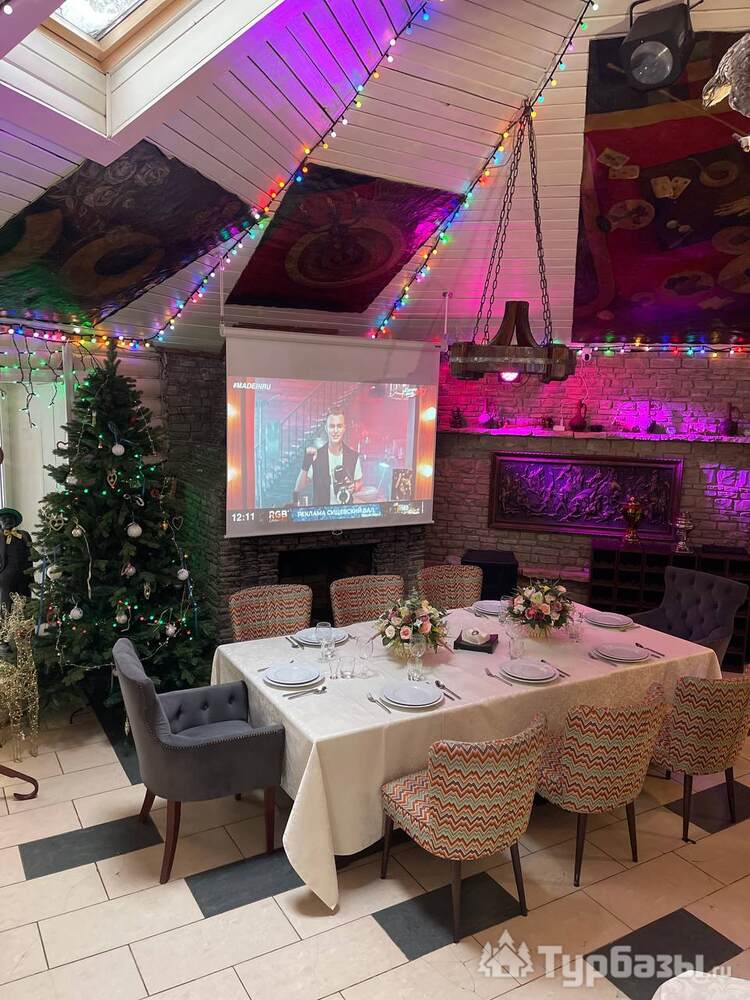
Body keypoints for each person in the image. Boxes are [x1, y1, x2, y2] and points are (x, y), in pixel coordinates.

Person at [294, 410, 363, 506]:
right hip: (321, 513)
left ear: (344, 428)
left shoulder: (353, 456)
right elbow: (298, 488)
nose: (335, 431)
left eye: (339, 426)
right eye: (332, 426)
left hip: (345, 512)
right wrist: (305, 466)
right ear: (326, 428)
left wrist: (354, 487)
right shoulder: (316, 456)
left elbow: (359, 482)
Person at [0, 508, 32, 611]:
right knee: (6, 604)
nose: (8, 520)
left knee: (25, 602)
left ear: (15, 521)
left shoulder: (24, 535)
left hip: (24, 575)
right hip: (6, 576)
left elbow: (31, 551)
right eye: (4, 519)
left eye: (11, 518)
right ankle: (6, 621)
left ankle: (26, 621)